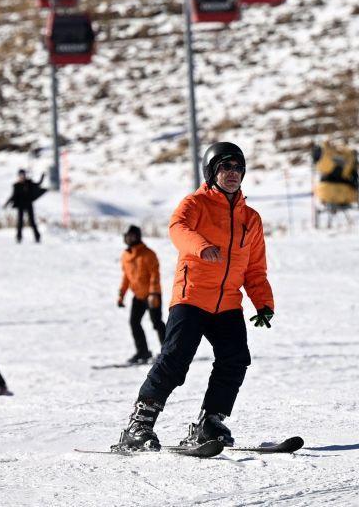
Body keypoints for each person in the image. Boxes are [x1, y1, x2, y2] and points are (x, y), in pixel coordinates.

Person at [115, 142, 274, 453]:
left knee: (235, 359)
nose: (232, 173)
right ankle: (140, 423)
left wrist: (263, 302)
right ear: (211, 171)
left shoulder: (250, 218)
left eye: (237, 167)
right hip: (191, 296)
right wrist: (200, 245)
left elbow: (255, 266)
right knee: (175, 359)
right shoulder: (196, 203)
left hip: (227, 301)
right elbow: (177, 228)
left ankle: (209, 422)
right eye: (225, 167)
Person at [117, 225, 165, 364]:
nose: (129, 239)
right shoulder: (126, 256)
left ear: (138, 236)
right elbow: (126, 277)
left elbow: (155, 274)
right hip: (138, 296)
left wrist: (154, 293)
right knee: (134, 322)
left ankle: (168, 351)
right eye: (127, 236)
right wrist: (121, 295)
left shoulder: (148, 254)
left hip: (152, 295)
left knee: (157, 323)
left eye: (132, 236)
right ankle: (143, 352)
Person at [5, 170, 46, 244]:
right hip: (20, 205)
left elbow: (38, 184)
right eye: (20, 175)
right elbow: (13, 196)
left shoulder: (29, 183)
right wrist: (7, 203)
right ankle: (19, 237)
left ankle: (37, 237)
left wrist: (42, 177)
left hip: (28, 204)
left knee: (32, 221)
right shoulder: (16, 185)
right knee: (20, 222)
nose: (22, 177)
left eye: (23, 175)